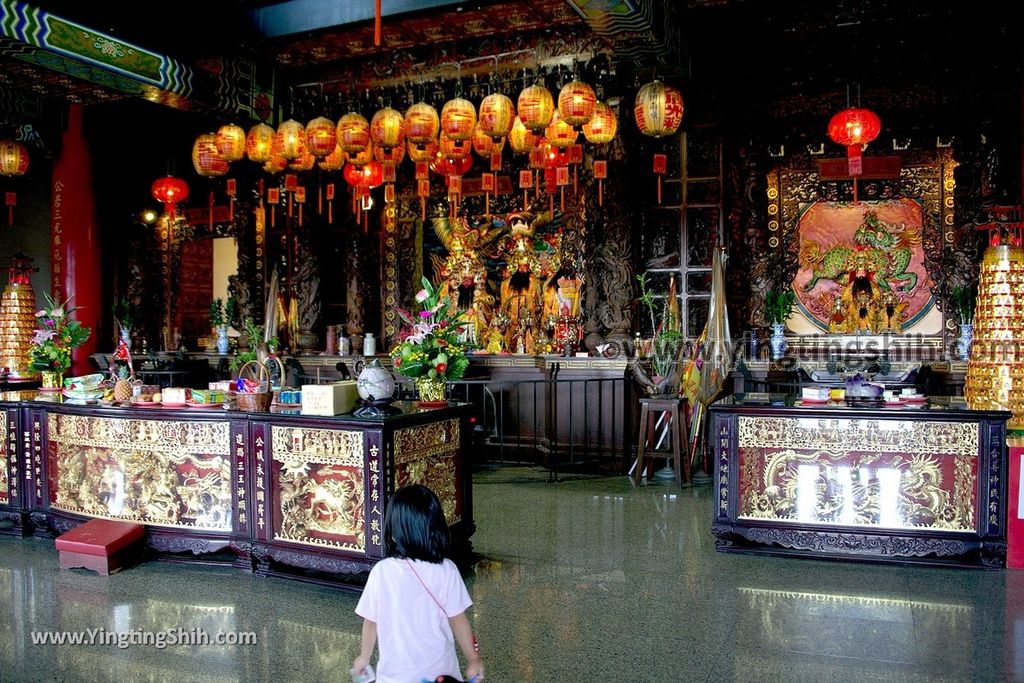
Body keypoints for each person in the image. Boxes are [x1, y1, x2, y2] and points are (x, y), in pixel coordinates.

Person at [352, 485, 484, 683]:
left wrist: (364, 657)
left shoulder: (383, 571)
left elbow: (371, 622)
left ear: (395, 529)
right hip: (440, 673)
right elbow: (458, 621)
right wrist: (473, 659)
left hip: (396, 675)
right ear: (436, 527)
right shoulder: (447, 570)